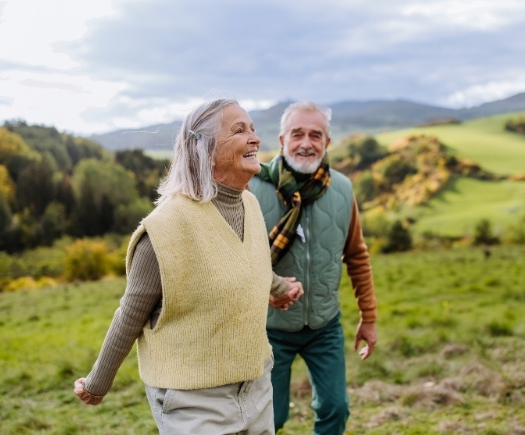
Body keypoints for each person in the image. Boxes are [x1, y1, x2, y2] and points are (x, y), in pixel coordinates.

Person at [73, 98, 303, 434]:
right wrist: (97, 383)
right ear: (206, 151)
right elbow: (131, 312)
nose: (254, 138)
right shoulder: (164, 229)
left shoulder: (249, 205)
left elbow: (247, 261)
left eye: (253, 128)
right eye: (239, 130)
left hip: (255, 385)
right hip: (193, 401)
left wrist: (280, 288)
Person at [249, 101, 378, 435]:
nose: (306, 143)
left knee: (335, 409)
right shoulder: (253, 188)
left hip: (325, 326)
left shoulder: (343, 189)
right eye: (298, 134)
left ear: (327, 143)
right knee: (270, 419)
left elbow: (357, 255)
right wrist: (267, 294)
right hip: (269, 329)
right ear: (282, 139)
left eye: (315, 135)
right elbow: (235, 260)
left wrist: (369, 317)